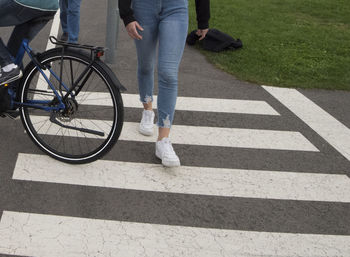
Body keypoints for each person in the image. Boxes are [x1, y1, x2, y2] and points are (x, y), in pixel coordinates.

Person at [119, 0, 210, 167]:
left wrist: (203, 18)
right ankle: (147, 110)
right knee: (146, 65)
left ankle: (163, 140)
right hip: (143, 7)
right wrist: (126, 15)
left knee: (168, 73)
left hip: (175, 8)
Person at [0, 0, 59, 85]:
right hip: (50, 6)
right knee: (14, 52)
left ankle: (7, 66)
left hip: (27, 3)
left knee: (9, 64)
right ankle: (15, 92)